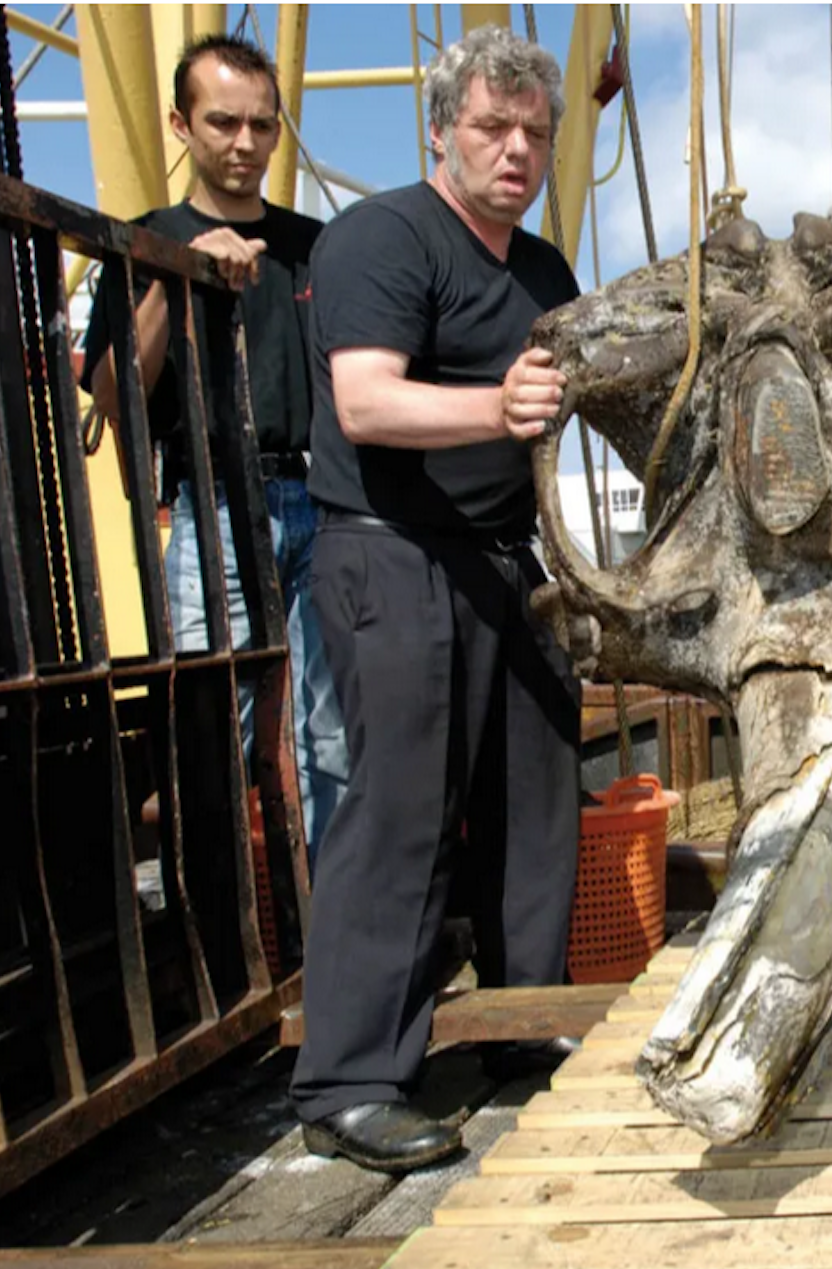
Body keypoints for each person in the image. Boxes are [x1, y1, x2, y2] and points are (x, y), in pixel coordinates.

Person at [288, 26, 583, 1175]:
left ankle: (521, 1020)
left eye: (533, 135)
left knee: (535, 787)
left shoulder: (544, 270)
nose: (515, 152)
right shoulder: (381, 237)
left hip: (504, 554)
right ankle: (352, 1078)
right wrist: (493, 411)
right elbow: (366, 403)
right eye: (491, 130)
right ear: (439, 133)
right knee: (402, 806)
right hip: (390, 548)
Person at [80, 34, 347, 864]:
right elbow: (117, 389)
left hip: (319, 498)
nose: (244, 143)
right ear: (180, 124)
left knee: (332, 735)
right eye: (223, 122)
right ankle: (224, 946)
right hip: (211, 503)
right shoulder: (145, 237)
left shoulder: (315, 244)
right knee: (210, 731)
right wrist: (179, 273)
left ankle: (340, 931)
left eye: (262, 125)